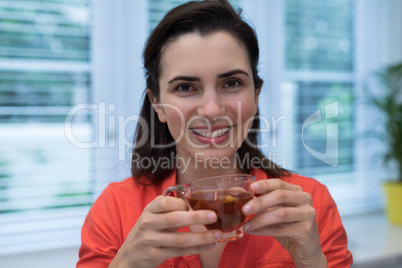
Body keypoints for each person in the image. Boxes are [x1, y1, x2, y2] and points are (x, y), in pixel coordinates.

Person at [77, 1, 353, 267]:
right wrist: (126, 264)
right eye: (185, 87)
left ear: (256, 94)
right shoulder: (114, 210)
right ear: (157, 104)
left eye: (232, 83)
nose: (211, 110)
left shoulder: (309, 204)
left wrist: (311, 263)